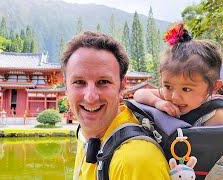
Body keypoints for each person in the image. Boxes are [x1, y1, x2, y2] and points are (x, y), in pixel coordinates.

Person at [61, 31, 170, 179]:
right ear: (66, 87)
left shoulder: (135, 161)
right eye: (79, 82)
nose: (90, 97)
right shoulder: (86, 135)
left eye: (103, 82)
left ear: (121, 87)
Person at [134, 23, 223, 126]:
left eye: (186, 89)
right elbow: (139, 94)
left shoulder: (216, 112)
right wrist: (157, 102)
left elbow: (209, 141)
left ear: (213, 87)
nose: (174, 97)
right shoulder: (172, 94)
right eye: (168, 86)